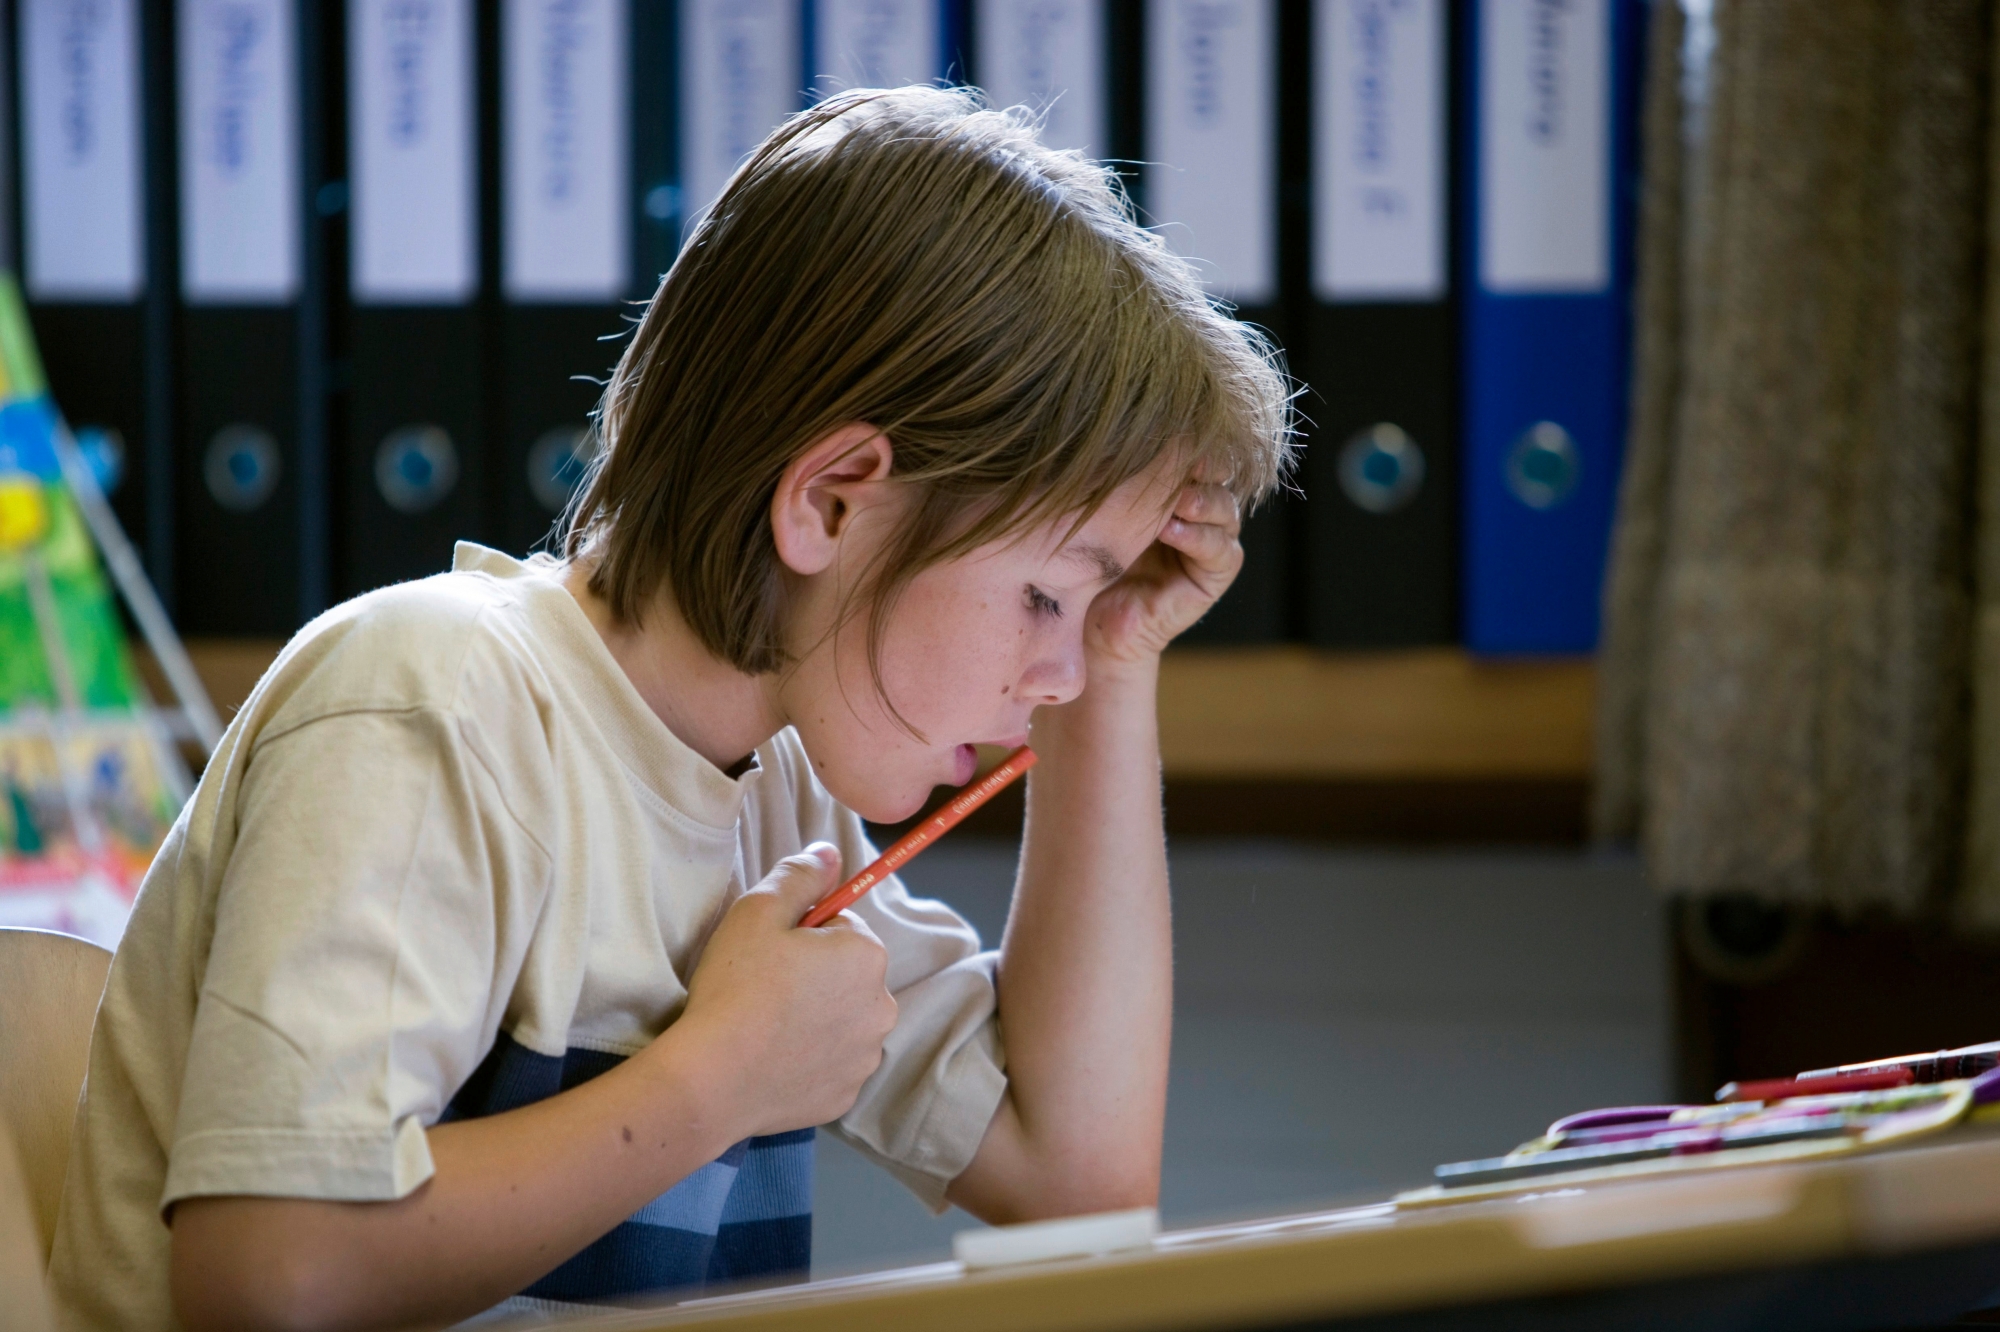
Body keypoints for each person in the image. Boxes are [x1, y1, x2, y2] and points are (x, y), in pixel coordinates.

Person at [48, 86, 1292, 1330]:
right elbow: (274, 1278)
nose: (1059, 672)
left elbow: (1073, 1176)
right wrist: (717, 1081)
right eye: (1042, 599)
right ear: (834, 503)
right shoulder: (439, 702)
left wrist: (1116, 662)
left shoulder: (769, 788)